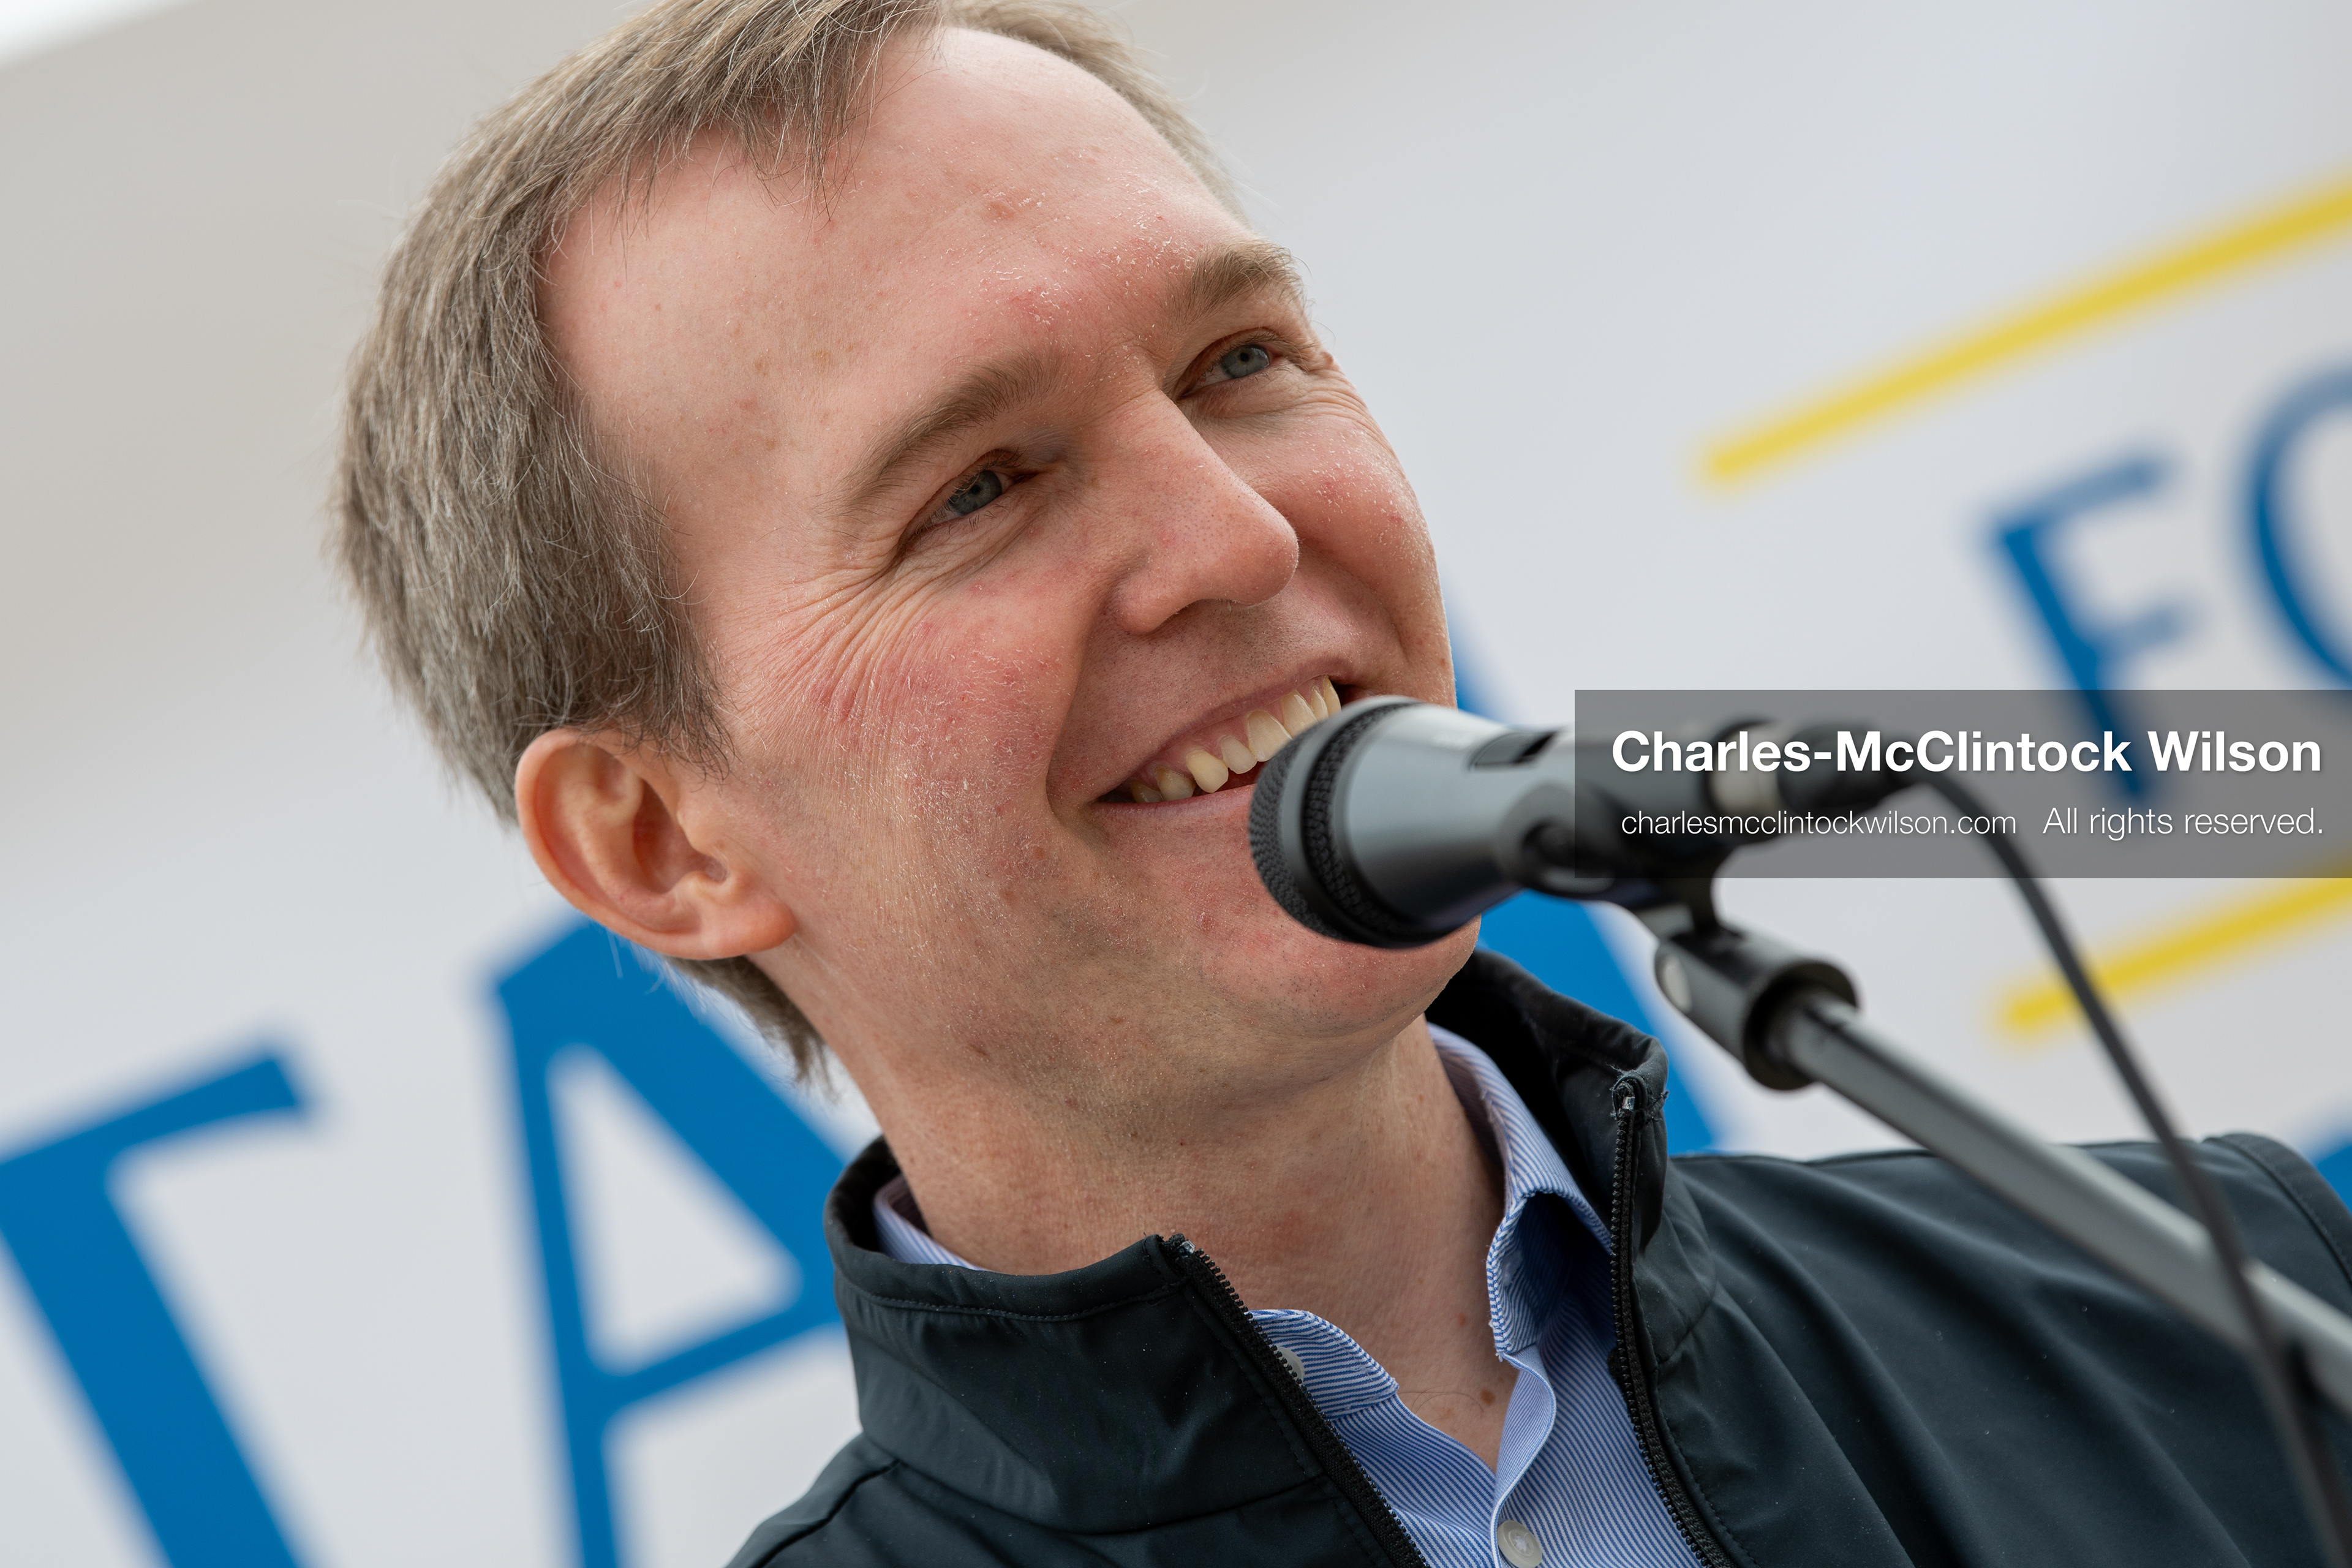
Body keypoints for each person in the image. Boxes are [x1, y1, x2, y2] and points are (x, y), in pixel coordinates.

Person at [335, 2, 2352, 1564]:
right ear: (663, 843)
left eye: (1240, 362)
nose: (1235, 539)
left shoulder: (2230, 1314)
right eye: (981, 487)